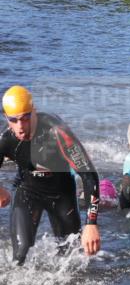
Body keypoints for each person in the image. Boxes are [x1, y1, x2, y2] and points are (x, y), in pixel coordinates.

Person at [0, 85, 101, 265]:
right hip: (27, 190)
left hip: (62, 194)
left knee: (72, 258)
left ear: (34, 112)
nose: (21, 127)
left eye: (25, 118)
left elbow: (89, 175)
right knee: (19, 257)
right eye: (14, 120)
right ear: (6, 118)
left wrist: (91, 224)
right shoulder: (6, 139)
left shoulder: (57, 132)